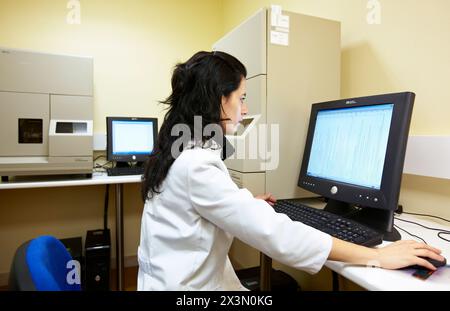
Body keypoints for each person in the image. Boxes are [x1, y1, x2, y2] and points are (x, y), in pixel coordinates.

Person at [138, 51, 444, 291]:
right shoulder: (196, 163)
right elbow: (276, 234)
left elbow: (199, 207)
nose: (244, 109)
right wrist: (378, 256)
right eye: (242, 98)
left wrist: (244, 205)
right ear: (220, 99)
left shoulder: (179, 148)